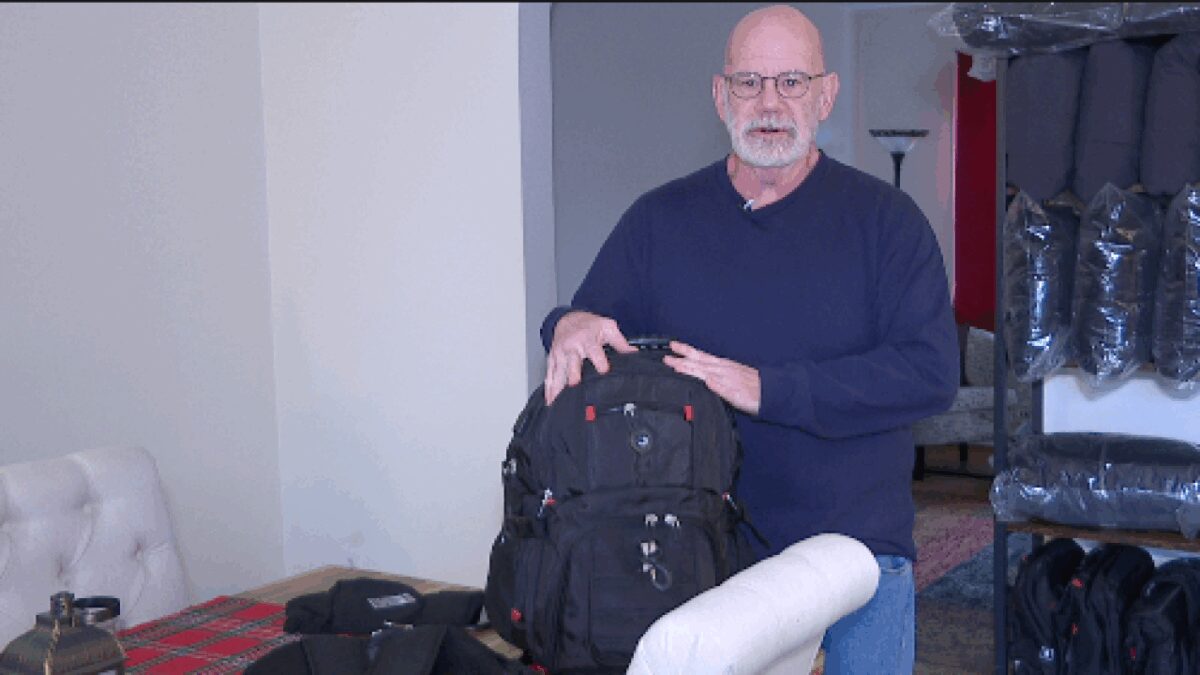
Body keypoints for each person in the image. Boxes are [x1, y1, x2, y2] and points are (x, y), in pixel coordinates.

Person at [539, 5, 958, 673]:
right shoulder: (659, 222)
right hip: (704, 547)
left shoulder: (889, 223)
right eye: (749, 82)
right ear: (719, 93)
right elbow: (589, 324)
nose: (769, 102)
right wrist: (566, 320)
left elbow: (931, 371)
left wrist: (770, 388)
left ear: (826, 94)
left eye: (792, 82)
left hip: (857, 548)